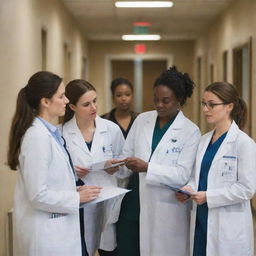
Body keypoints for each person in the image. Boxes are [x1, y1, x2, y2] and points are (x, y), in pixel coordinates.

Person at [7, 71, 101, 256]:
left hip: (56, 232)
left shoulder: (48, 133)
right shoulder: (36, 137)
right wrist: (76, 198)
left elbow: (49, 181)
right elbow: (37, 194)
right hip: (46, 237)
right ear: (45, 101)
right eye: (61, 96)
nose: (67, 100)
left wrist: (72, 191)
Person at [118, 66, 201, 256]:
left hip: (168, 208)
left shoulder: (190, 131)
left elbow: (182, 174)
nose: (159, 105)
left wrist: (147, 167)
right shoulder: (142, 120)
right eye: (156, 99)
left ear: (179, 100)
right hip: (136, 202)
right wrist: (116, 166)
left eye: (166, 101)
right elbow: (126, 155)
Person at [177, 82, 256, 256]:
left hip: (228, 225)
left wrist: (208, 196)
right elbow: (196, 176)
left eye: (211, 104)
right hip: (201, 220)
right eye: (203, 104)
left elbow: (246, 189)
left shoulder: (244, 143)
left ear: (229, 106)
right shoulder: (203, 140)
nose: (205, 109)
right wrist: (188, 188)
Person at [62, 79, 125, 256]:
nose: (94, 108)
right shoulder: (62, 133)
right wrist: (73, 172)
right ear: (72, 106)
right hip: (78, 207)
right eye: (86, 104)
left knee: (107, 248)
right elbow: (56, 174)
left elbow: (126, 166)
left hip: (107, 201)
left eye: (95, 101)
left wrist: (116, 167)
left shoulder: (111, 130)